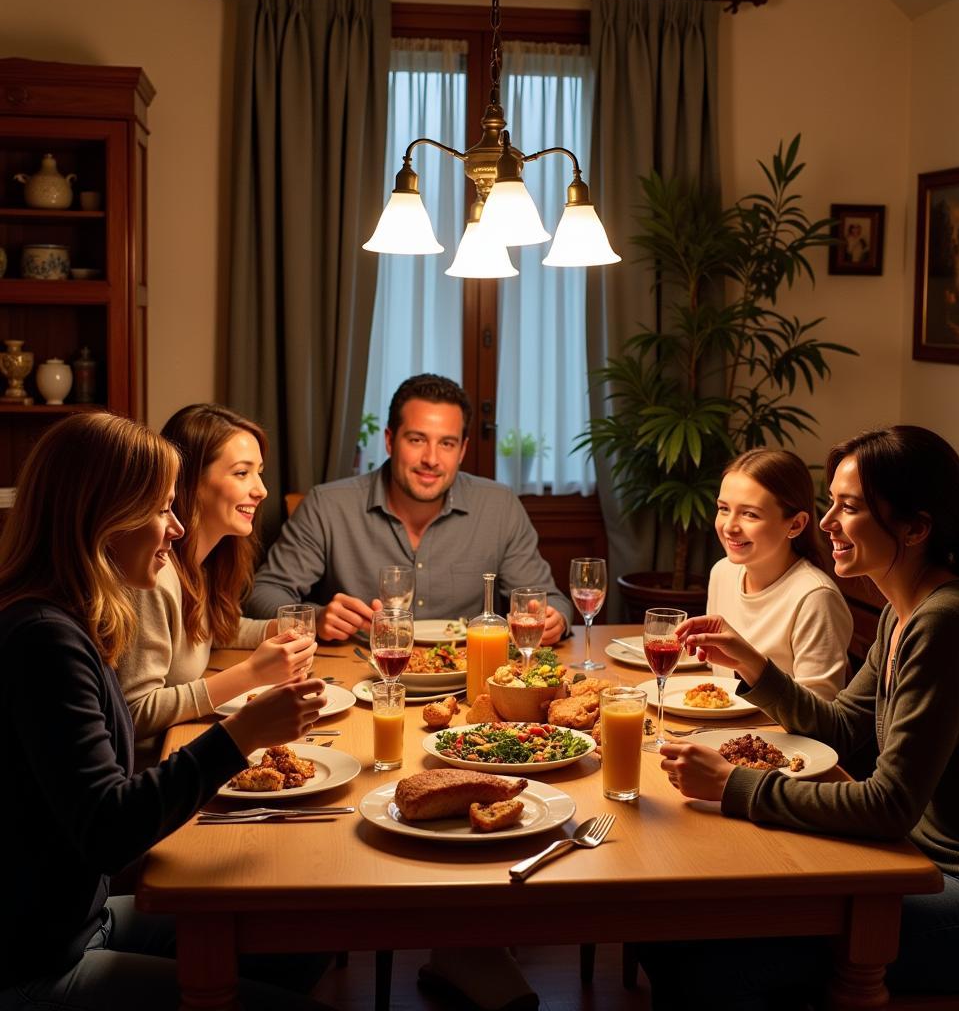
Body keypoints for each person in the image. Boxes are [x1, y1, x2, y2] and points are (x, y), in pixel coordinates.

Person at [641, 426, 959, 1008]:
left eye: (849, 507)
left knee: (706, 956)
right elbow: (845, 732)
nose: (826, 523)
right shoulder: (905, 613)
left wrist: (736, 786)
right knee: (671, 928)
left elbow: (889, 805)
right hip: (912, 863)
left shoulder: (946, 624)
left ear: (915, 528)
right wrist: (753, 663)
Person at [0, 412, 332, 1011]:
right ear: (102, 518)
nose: (176, 529)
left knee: (305, 934)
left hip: (84, 920)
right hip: (38, 961)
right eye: (160, 510)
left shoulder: (71, 620)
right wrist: (240, 735)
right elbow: (109, 830)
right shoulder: (43, 640)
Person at [247, 374, 571, 644]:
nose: (431, 458)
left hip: (467, 677)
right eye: (416, 440)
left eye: (446, 443)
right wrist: (313, 619)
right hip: (362, 674)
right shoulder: (328, 506)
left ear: (462, 450)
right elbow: (262, 593)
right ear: (390, 440)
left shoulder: (499, 507)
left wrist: (555, 620)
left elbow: (552, 602)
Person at [119, 403, 316, 764]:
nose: (261, 490)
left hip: (190, 746)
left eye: (259, 473)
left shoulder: (201, 564)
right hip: (158, 771)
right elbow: (133, 713)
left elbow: (211, 630)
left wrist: (278, 630)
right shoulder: (155, 576)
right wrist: (252, 674)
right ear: (190, 480)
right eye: (242, 473)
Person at [708, 448, 851, 699]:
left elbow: (820, 710)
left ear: (795, 524)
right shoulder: (723, 573)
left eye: (750, 514)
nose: (729, 526)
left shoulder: (816, 597)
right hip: (726, 733)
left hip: (780, 737)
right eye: (723, 509)